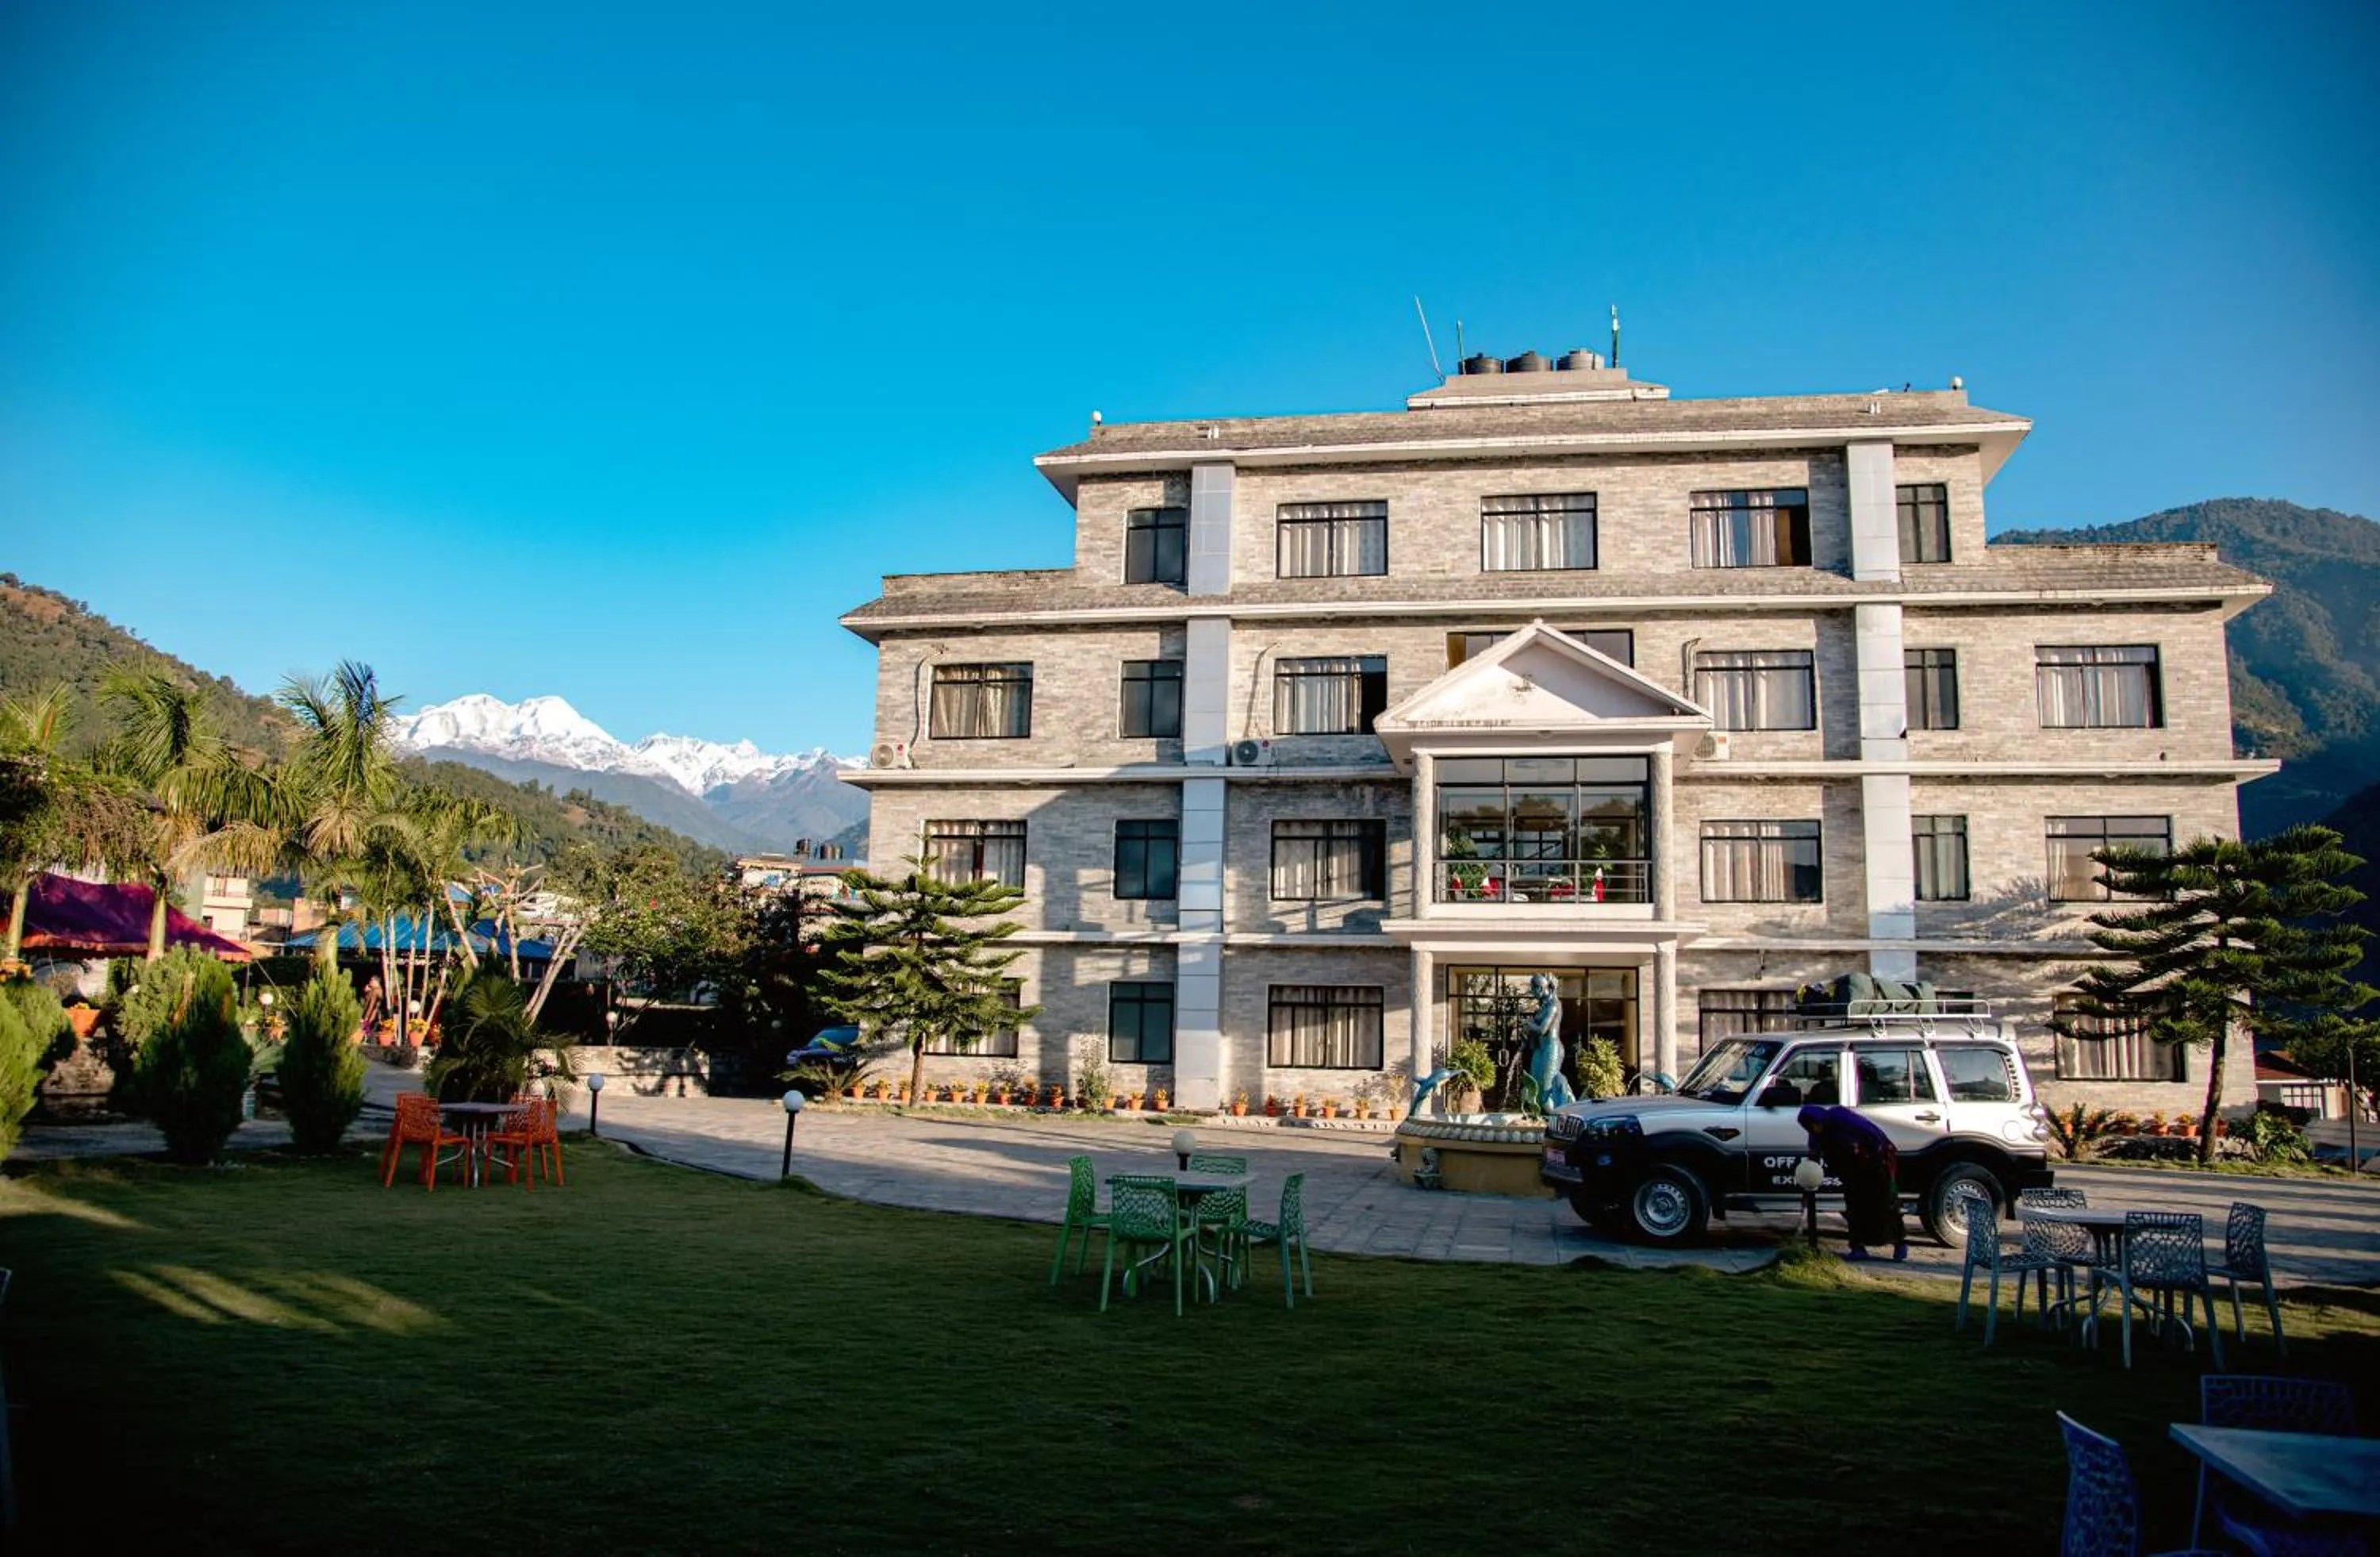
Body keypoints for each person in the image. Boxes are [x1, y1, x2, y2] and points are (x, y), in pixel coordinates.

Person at [1795, 1103, 1908, 1261]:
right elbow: (1814, 1155)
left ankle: (1899, 1243)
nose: (1814, 1129)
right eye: (1810, 1127)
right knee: (1855, 1208)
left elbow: (1874, 1138)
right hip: (1852, 1171)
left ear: (1819, 1120)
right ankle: (1858, 1248)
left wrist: (1875, 1164)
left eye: (1815, 1125)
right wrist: (1809, 1179)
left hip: (1877, 1163)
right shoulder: (1817, 1135)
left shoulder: (1841, 1119)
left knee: (1884, 1205)